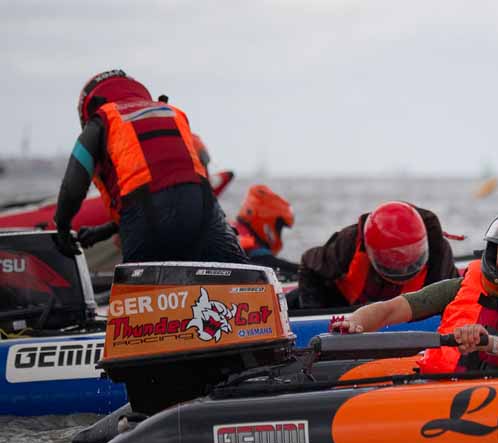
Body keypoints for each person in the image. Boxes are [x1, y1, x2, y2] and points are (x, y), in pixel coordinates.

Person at [331, 203, 498, 371]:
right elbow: (390, 310)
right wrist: (356, 322)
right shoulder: (458, 288)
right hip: (441, 388)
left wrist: (489, 343)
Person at [52, 69, 247, 264]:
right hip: (205, 208)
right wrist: (104, 231)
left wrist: (62, 227)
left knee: (141, 288)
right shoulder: (173, 112)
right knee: (238, 276)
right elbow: (176, 185)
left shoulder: (101, 120)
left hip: (147, 218)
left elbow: (73, 184)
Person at [295, 201, 456, 308]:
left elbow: (456, 298)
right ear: (371, 250)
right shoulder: (349, 242)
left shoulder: (439, 256)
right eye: (392, 256)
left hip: (407, 316)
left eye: (411, 253)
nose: (403, 266)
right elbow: (308, 265)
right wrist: (313, 312)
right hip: (345, 309)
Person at [231, 184, 300, 278]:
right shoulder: (242, 238)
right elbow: (266, 262)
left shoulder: (233, 229)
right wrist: (303, 271)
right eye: (279, 226)